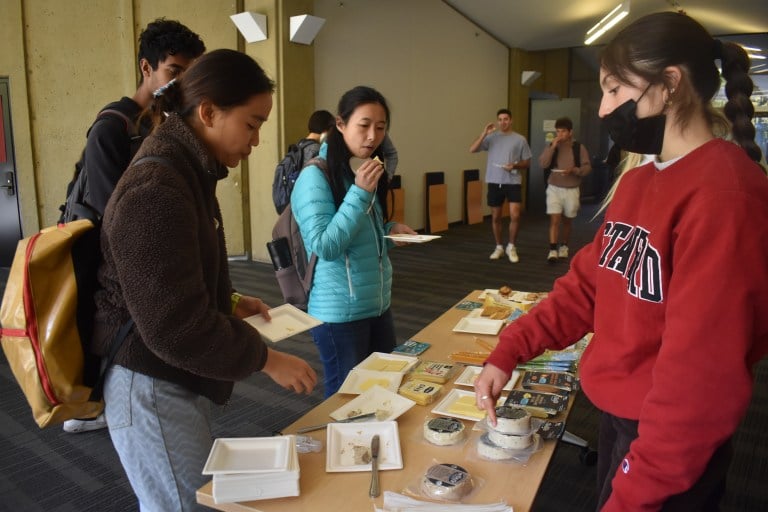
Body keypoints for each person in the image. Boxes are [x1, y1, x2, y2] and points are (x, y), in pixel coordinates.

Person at [475, 11, 768, 512]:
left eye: (614, 90)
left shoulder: (726, 194)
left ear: (670, 84)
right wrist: (510, 349)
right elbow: (588, 288)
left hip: (669, 442)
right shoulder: (639, 181)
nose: (605, 106)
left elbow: (702, 377)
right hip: (621, 416)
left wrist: (636, 491)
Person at [92, 49, 318, 511]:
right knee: (184, 505)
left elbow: (172, 277)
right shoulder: (156, 186)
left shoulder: (187, 169)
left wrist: (229, 300)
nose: (255, 142)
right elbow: (172, 324)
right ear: (208, 111)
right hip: (149, 380)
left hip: (169, 374)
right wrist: (265, 358)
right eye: (252, 124)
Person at [62, 18, 205, 434]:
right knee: (105, 331)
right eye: (174, 72)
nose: (181, 83)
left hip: (141, 254)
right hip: (104, 253)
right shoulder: (113, 127)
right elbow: (116, 215)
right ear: (147, 68)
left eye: (189, 74)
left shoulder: (165, 125)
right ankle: (87, 405)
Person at [291, 85, 418, 397]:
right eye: (364, 126)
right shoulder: (315, 177)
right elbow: (325, 246)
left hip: (376, 303)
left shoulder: (356, 171)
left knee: (383, 389)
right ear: (341, 124)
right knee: (346, 398)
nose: (372, 136)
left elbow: (358, 232)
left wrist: (389, 232)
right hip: (338, 313)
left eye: (381, 127)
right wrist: (360, 193)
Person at [469, 108, 532, 263]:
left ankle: (511, 246)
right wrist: (484, 133)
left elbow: (527, 162)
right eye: (500, 119)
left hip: (513, 182)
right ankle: (499, 247)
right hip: (494, 180)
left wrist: (515, 166)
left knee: (515, 215)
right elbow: (472, 149)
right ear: (497, 121)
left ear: (511, 121)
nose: (503, 122)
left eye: (506, 119)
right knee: (496, 217)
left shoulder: (520, 139)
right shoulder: (491, 137)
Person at [538, 117, 591, 262]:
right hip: (554, 187)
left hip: (572, 188)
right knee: (554, 220)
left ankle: (564, 246)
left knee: (567, 220)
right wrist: (552, 147)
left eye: (563, 131)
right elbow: (543, 163)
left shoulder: (578, 147)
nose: (560, 134)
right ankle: (552, 250)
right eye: (557, 131)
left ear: (570, 132)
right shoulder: (552, 146)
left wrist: (574, 170)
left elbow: (587, 168)